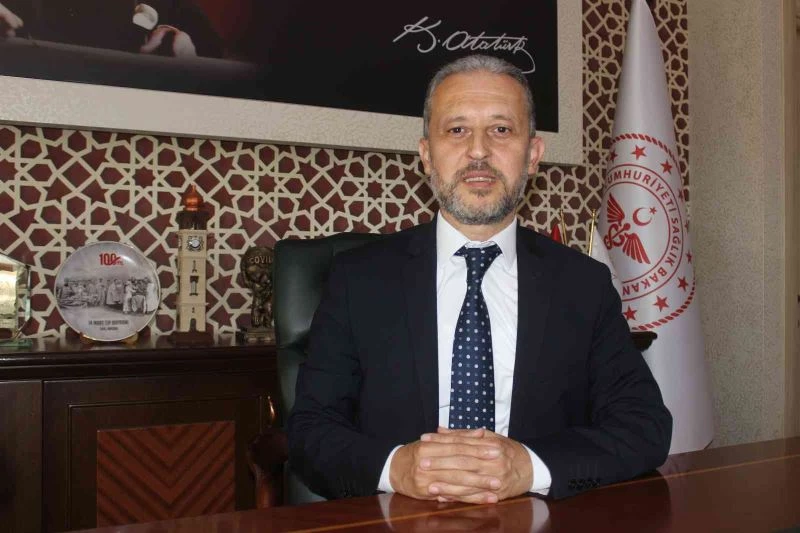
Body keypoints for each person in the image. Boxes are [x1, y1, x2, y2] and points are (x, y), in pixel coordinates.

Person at [287, 54, 672, 503]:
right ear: (426, 155)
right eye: (457, 130)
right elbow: (311, 429)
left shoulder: (583, 285)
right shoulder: (358, 280)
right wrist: (398, 469)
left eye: (501, 129)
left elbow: (644, 426)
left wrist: (530, 467)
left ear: (533, 155)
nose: (478, 151)